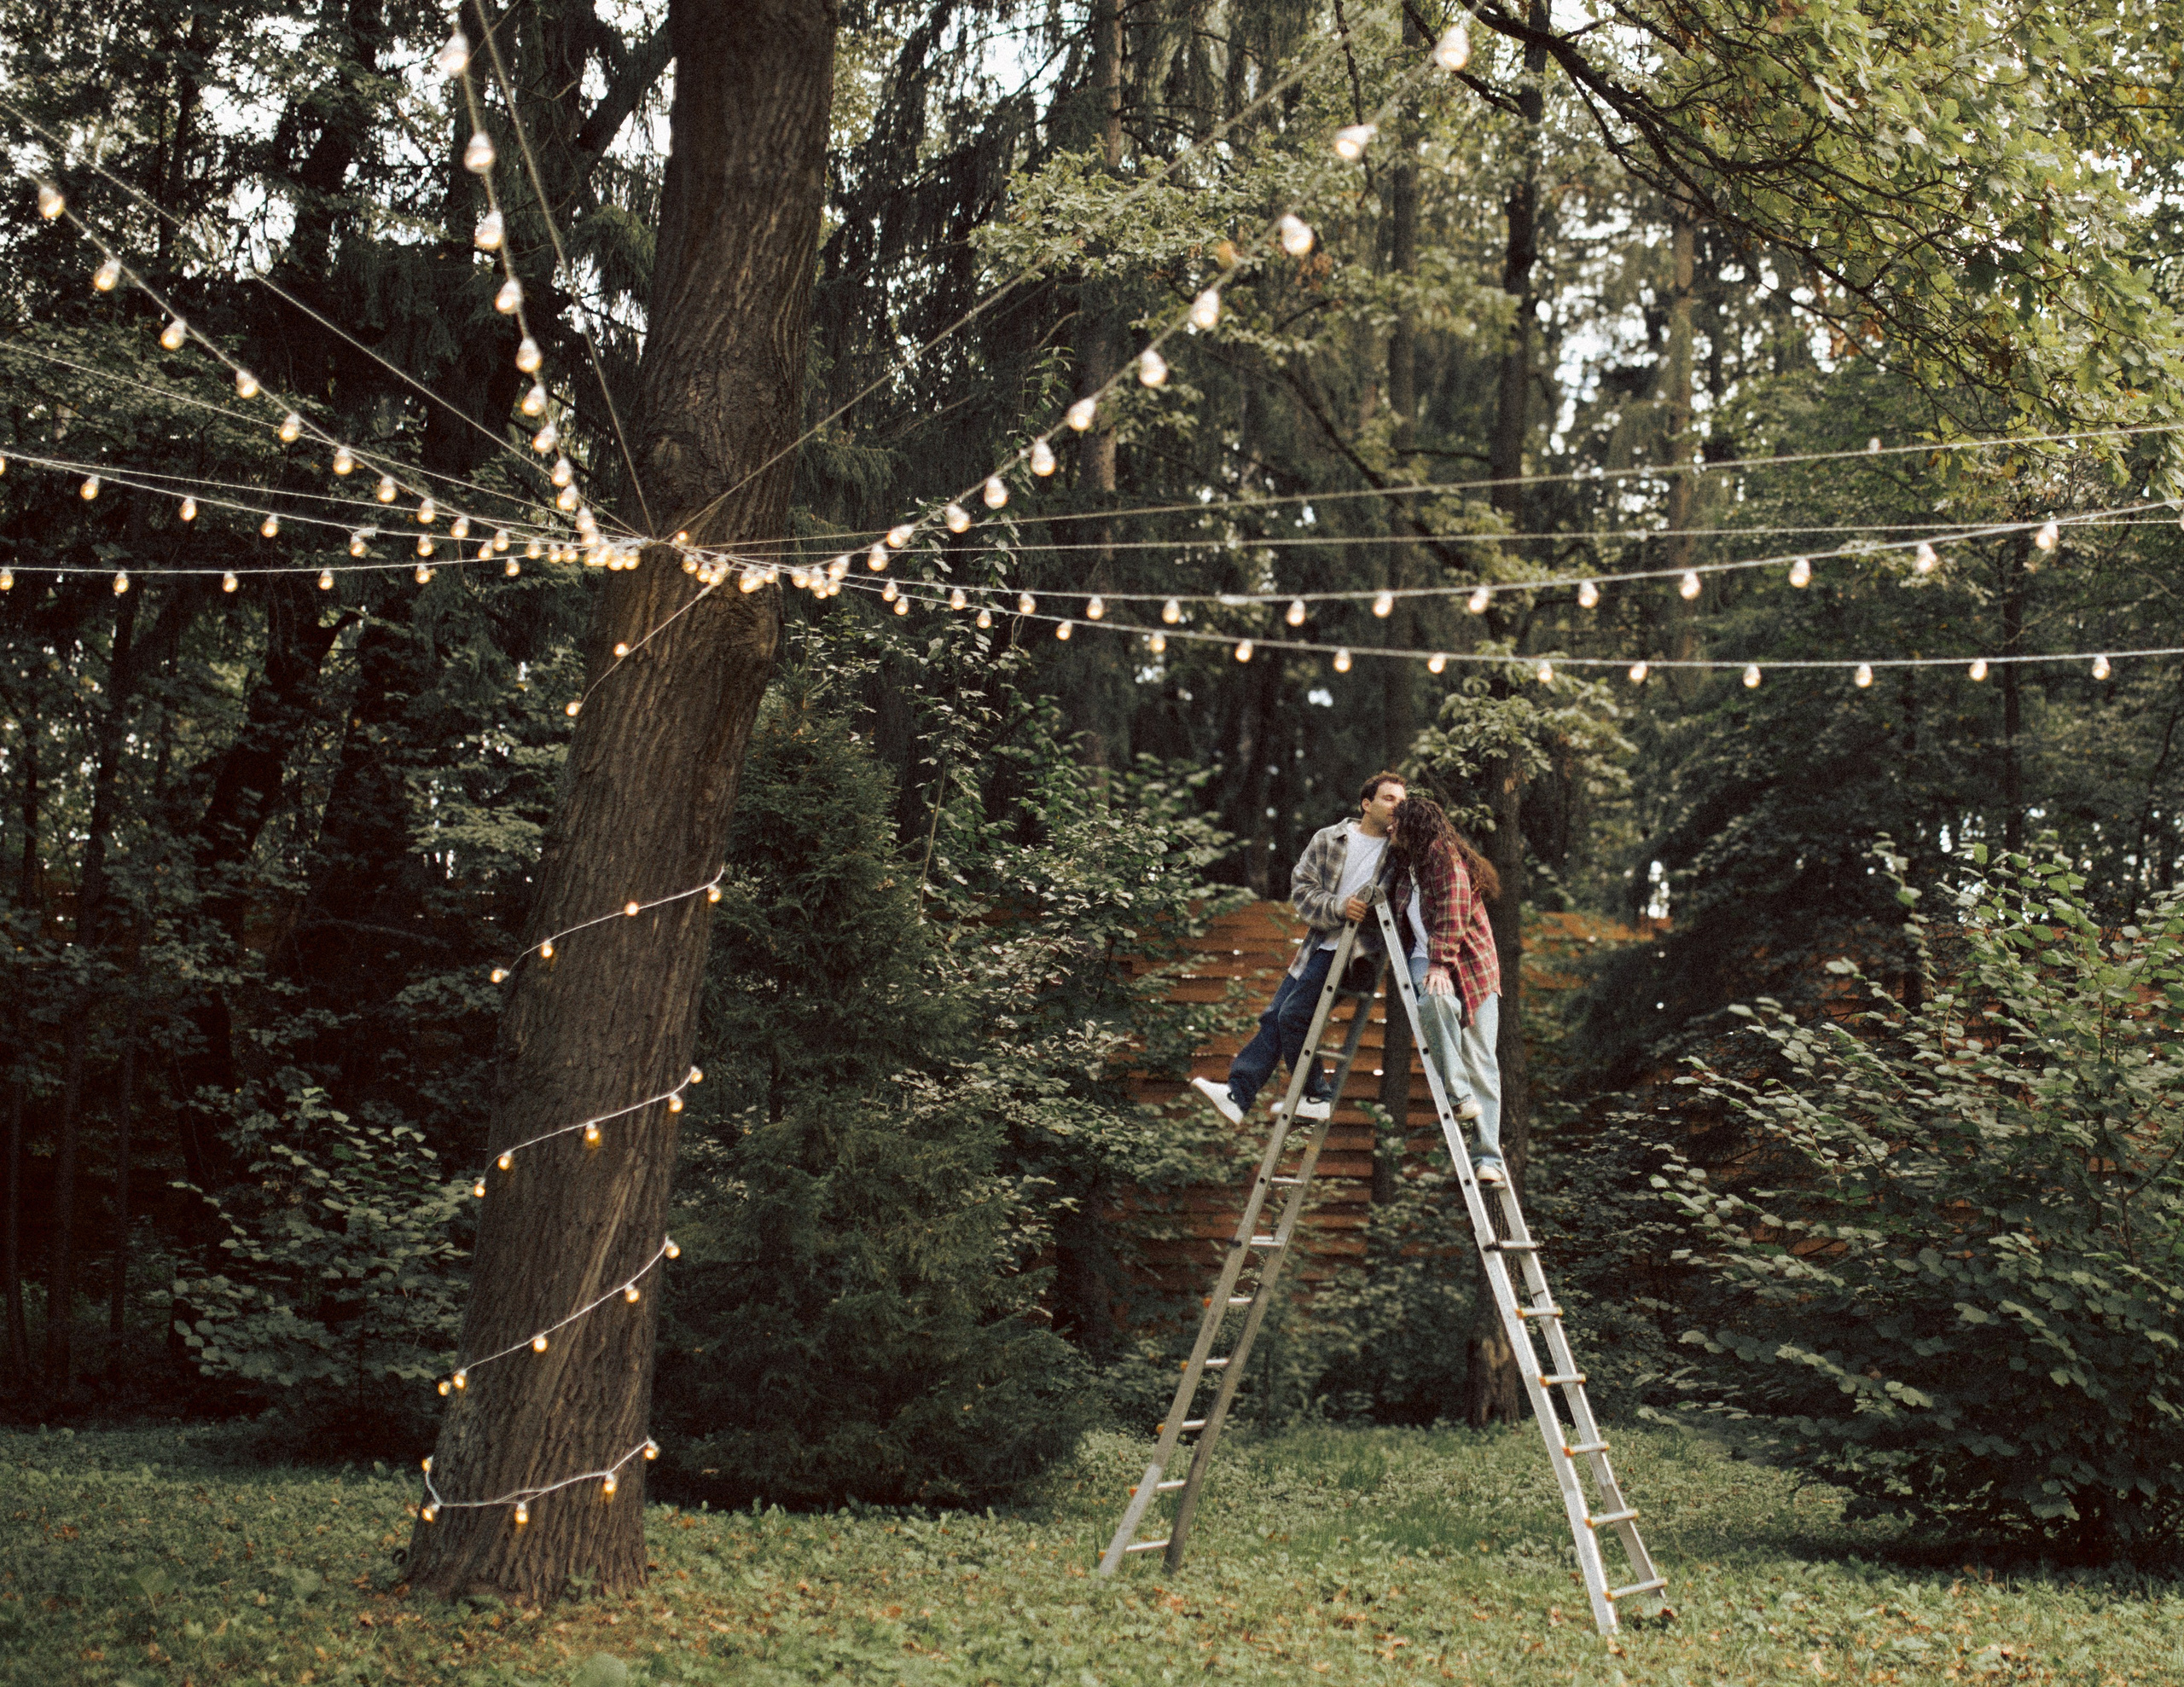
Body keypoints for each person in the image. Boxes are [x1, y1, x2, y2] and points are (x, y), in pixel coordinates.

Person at [1192, 771, 1420, 1127]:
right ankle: (1239, 1095)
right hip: (1317, 946)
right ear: (1366, 803)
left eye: (1401, 802)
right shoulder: (1329, 839)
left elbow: (1400, 907)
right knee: (1274, 1019)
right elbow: (1302, 889)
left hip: (1356, 952)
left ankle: (1315, 1094)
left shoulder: (1398, 852)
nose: (1397, 807)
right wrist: (1338, 907)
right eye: (1389, 798)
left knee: (1294, 1015)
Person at [1385, 792, 1506, 1185]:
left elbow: (1453, 912)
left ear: (1413, 827)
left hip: (1470, 964)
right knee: (1433, 1004)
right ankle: (1459, 1095)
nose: (1391, 829)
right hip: (1425, 955)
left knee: (1482, 1060)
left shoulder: (1445, 858)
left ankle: (1489, 1159)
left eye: (1396, 823)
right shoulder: (1406, 865)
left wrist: (1440, 962)